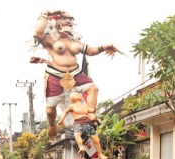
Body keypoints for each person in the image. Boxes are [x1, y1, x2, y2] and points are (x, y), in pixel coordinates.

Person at [33, 10, 122, 140]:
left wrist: (104, 47)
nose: (68, 21)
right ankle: (52, 125)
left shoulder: (75, 40)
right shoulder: (50, 39)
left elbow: (90, 51)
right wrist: (45, 14)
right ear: (55, 21)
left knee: (93, 88)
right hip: (55, 76)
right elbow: (38, 33)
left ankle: (91, 114)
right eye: (64, 18)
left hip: (76, 73)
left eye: (70, 18)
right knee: (50, 111)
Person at [58, 92, 108, 159]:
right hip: (79, 123)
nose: (78, 94)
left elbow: (92, 110)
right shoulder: (72, 106)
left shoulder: (85, 106)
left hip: (88, 124)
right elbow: (65, 112)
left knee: (96, 140)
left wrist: (93, 99)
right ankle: (81, 147)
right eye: (76, 94)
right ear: (71, 98)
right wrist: (61, 120)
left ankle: (100, 154)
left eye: (79, 94)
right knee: (77, 134)